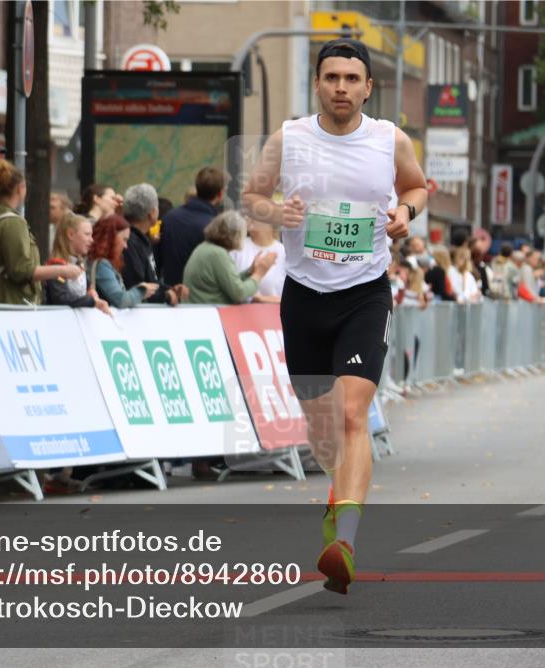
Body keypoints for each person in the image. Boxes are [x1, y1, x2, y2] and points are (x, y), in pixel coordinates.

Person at [242, 38, 427, 595]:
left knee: (351, 413)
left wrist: (405, 211)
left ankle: (344, 540)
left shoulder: (389, 139)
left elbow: (416, 185)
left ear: (368, 87)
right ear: (318, 84)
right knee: (323, 431)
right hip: (304, 295)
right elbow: (252, 197)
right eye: (331, 78)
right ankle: (336, 498)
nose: (341, 87)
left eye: (351, 78)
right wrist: (278, 211)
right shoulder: (290, 138)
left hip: (364, 293)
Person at [0, 160, 80, 305]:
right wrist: (62, 270)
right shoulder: (13, 223)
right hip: (10, 302)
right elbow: (21, 271)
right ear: (20, 188)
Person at [183, 211, 276, 305]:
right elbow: (239, 293)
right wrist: (259, 274)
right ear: (235, 235)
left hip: (200, 308)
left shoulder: (206, 247)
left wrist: (250, 271)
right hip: (208, 310)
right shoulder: (218, 254)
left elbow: (230, 282)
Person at [120, 183, 186, 305]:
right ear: (152, 213)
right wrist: (165, 296)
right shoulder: (130, 242)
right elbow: (138, 286)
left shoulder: (141, 240)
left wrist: (169, 289)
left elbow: (151, 280)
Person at [158, 167, 226, 286]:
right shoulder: (216, 227)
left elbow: (157, 260)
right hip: (202, 294)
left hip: (169, 292)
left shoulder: (169, 218)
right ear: (220, 194)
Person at [86, 214, 157, 308]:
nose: (126, 246)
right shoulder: (102, 265)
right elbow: (120, 300)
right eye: (124, 240)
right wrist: (141, 291)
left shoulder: (101, 262)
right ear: (111, 238)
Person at [45, 213, 110, 313]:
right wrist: (92, 301)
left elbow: (88, 288)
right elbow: (61, 298)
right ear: (71, 234)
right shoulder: (56, 265)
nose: (91, 240)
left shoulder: (79, 264)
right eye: (87, 234)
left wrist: (91, 292)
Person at [230, 218, 286, 303]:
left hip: (275, 310)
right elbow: (228, 287)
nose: (248, 218)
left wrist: (262, 299)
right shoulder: (236, 248)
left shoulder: (284, 252)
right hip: (239, 309)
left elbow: (291, 297)